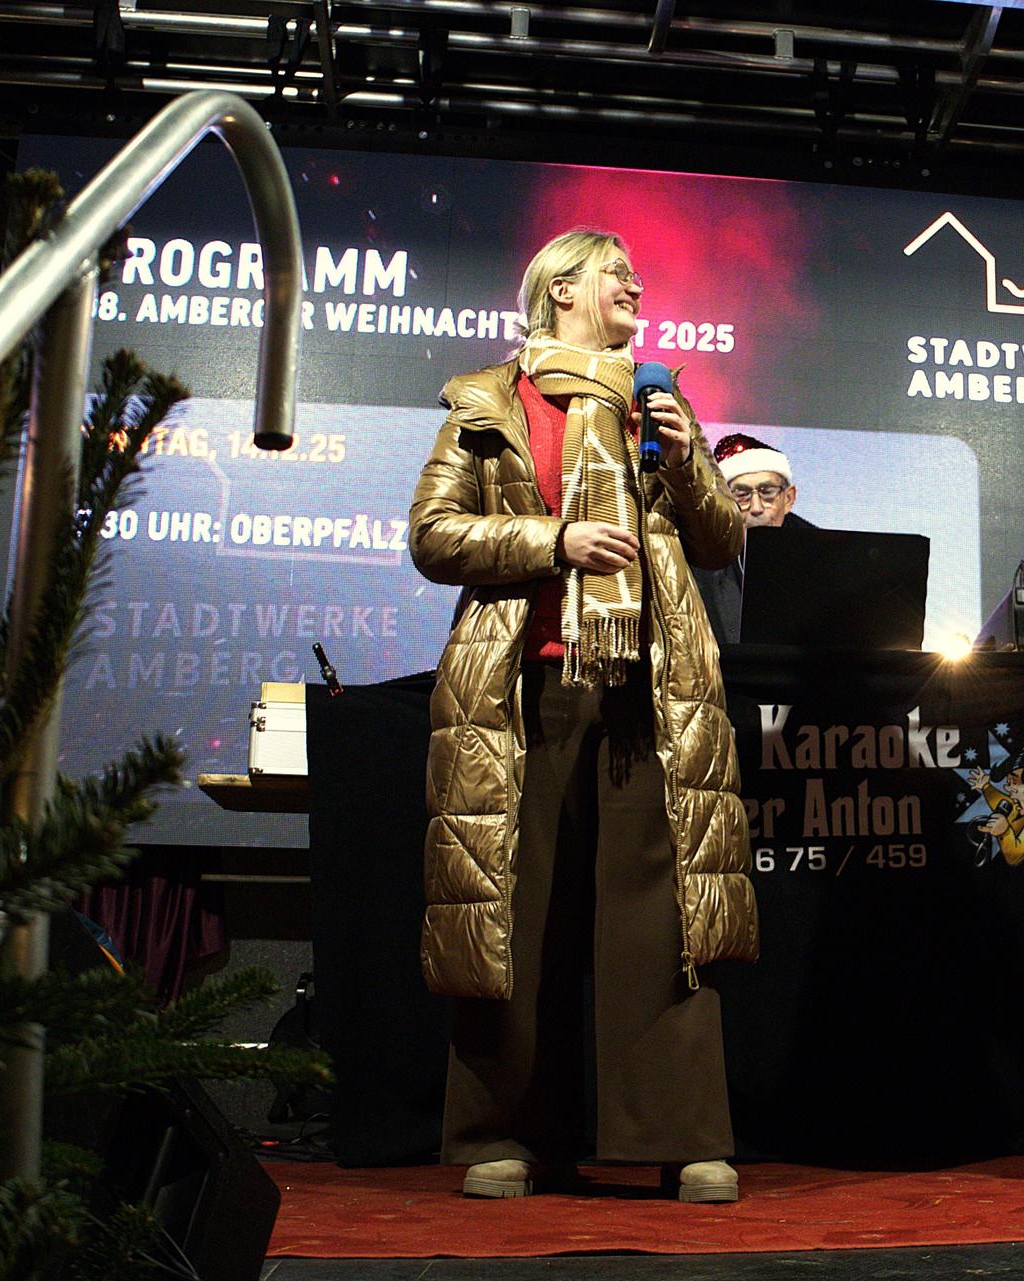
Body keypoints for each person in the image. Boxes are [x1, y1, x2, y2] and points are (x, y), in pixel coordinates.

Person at [408, 228, 757, 1203]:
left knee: (666, 920)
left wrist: (690, 465)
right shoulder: (490, 401)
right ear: (562, 289)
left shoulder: (659, 398)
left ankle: (685, 1138)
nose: (634, 283)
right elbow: (434, 535)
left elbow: (724, 536)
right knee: (521, 915)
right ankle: (507, 1137)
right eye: (614, 272)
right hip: (526, 688)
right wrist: (554, 539)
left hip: (651, 686)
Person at [694, 433, 815, 646]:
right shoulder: (702, 556)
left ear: (788, 499)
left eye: (767, 493)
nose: (757, 508)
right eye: (742, 495)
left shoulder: (819, 553)